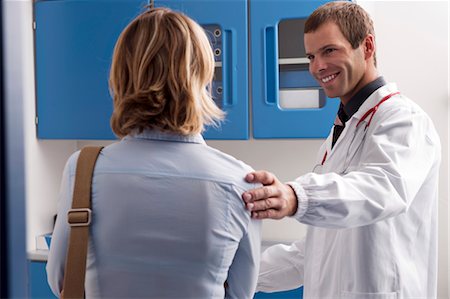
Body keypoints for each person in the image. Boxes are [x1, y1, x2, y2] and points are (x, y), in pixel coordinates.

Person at [47, 7, 261, 298]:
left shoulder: (83, 169)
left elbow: (61, 278)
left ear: (121, 77)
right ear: (201, 77)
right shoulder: (241, 179)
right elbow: (241, 292)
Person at [242, 2, 441, 298]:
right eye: (311, 56)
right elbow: (315, 251)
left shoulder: (405, 121)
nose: (317, 66)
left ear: (367, 46)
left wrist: (297, 196)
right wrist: (235, 274)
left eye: (329, 51)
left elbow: (383, 188)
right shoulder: (342, 133)